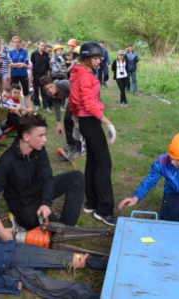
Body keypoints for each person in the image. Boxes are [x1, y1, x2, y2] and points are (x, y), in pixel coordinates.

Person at [0, 114, 85, 240]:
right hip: (22, 203)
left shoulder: (39, 149)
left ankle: (66, 227)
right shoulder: (7, 161)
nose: (45, 139)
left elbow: (47, 177)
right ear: (26, 136)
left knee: (77, 177)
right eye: (41, 136)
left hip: (38, 191)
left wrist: (46, 203)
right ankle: (21, 220)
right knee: (49, 230)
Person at [0, 229, 107, 299]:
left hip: (9, 251)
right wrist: (8, 283)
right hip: (4, 271)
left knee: (72, 258)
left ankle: (107, 264)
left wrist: (0, 234)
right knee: (45, 285)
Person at [69, 41, 117, 226]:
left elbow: (73, 98)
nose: (99, 61)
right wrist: (108, 123)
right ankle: (104, 210)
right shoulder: (85, 76)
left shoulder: (77, 72)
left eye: (99, 58)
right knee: (104, 164)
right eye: (96, 58)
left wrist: (75, 114)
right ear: (86, 59)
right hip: (90, 121)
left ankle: (91, 202)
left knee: (93, 162)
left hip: (85, 121)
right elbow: (89, 104)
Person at [40, 76, 85, 158]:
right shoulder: (50, 94)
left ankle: (81, 148)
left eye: (50, 87)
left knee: (78, 122)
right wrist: (58, 124)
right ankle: (72, 144)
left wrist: (75, 113)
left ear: (54, 83)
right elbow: (56, 106)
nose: (49, 90)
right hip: (72, 101)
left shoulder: (64, 84)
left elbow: (77, 94)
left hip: (82, 98)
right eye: (46, 89)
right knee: (67, 120)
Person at [7, 36, 32, 109]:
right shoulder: (10, 52)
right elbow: (10, 65)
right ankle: (12, 108)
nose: (16, 44)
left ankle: (30, 109)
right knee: (13, 92)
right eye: (15, 42)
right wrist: (20, 64)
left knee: (26, 93)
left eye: (18, 42)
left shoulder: (25, 52)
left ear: (21, 43)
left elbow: (25, 64)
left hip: (23, 74)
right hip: (14, 75)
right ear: (12, 43)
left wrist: (14, 65)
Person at [30, 41, 51, 111]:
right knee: (36, 90)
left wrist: (48, 76)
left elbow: (48, 66)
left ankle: (46, 106)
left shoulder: (46, 55)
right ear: (38, 45)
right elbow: (31, 66)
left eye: (44, 46)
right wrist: (32, 76)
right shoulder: (34, 54)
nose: (43, 47)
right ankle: (37, 104)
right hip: (36, 74)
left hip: (44, 75)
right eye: (41, 45)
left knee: (44, 90)